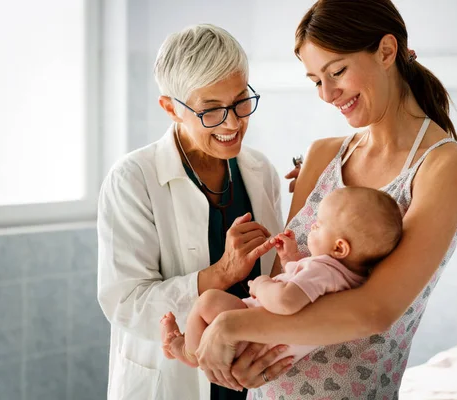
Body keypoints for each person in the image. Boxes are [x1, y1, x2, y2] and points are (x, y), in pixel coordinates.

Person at [188, 0, 457, 399]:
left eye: (337, 71)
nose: (326, 94)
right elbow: (281, 283)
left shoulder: (445, 166)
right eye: (315, 80)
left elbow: (375, 311)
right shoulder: (323, 155)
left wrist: (232, 327)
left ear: (387, 51)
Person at [96, 24, 293, 400]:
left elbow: (279, 279)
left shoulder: (260, 171)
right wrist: (219, 274)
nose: (232, 123)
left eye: (239, 101)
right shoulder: (133, 179)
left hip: (250, 372)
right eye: (211, 110)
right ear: (170, 107)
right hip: (172, 383)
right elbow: (125, 303)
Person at [161, 187, 403, 369]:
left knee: (208, 301)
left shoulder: (324, 269)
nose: (312, 228)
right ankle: (186, 344)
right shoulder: (346, 277)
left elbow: (287, 301)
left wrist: (261, 285)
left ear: (339, 248)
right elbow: (303, 289)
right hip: (270, 343)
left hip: (254, 332)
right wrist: (290, 258)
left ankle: (185, 349)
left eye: (319, 225)